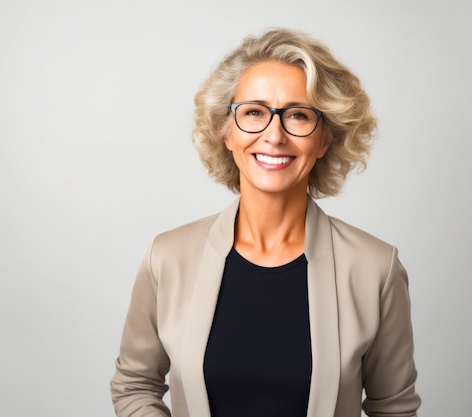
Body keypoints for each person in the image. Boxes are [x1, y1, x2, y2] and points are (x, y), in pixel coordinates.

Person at [110, 28, 420, 417]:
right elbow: (134, 384)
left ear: (325, 139)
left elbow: (394, 408)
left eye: (298, 115)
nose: (274, 135)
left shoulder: (376, 268)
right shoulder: (168, 257)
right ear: (226, 131)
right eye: (254, 112)